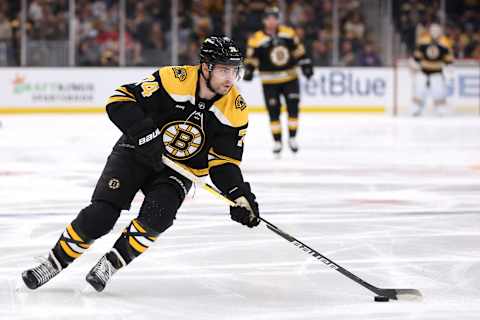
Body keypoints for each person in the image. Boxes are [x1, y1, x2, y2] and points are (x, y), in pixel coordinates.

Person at [21, 35, 261, 292]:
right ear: (205, 67)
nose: (230, 78)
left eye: (234, 70)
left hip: (181, 170)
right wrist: (147, 135)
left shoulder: (236, 109)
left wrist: (239, 194)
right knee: (101, 215)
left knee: (158, 217)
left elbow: (224, 162)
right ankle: (53, 263)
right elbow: (120, 100)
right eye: (224, 69)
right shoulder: (174, 79)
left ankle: (111, 264)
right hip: (136, 151)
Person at [243, 6, 313, 155]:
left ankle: (292, 138)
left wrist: (306, 64)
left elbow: (299, 50)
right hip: (269, 82)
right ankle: (277, 141)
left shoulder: (288, 33)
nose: (272, 21)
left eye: (274, 18)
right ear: (264, 20)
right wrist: (249, 69)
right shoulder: (256, 39)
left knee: (293, 108)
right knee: (273, 112)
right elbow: (252, 58)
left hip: (290, 78)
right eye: (269, 18)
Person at [410, 23, 454, 116]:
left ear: (440, 32)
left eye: (436, 30)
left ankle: (440, 108)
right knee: (419, 89)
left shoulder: (445, 42)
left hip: (437, 71)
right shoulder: (423, 41)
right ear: (429, 31)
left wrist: (449, 66)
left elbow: (448, 58)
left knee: (438, 91)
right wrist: (414, 63)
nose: (434, 32)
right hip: (423, 70)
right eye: (433, 30)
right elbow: (418, 56)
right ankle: (415, 109)